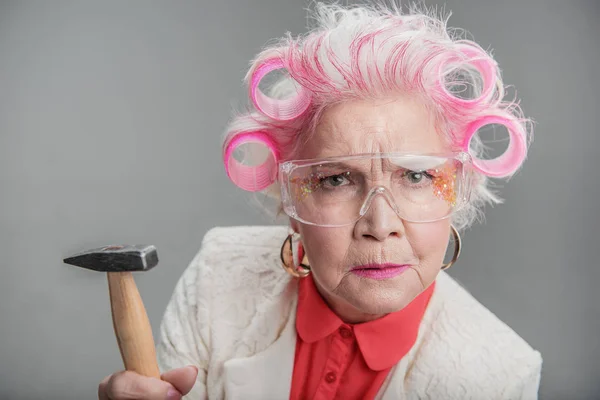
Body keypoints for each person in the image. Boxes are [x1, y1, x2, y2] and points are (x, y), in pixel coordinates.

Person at [98, 3, 542, 399]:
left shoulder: (501, 376)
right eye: (335, 180)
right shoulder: (216, 277)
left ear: (457, 194)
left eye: (418, 175)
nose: (380, 224)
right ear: (290, 201)